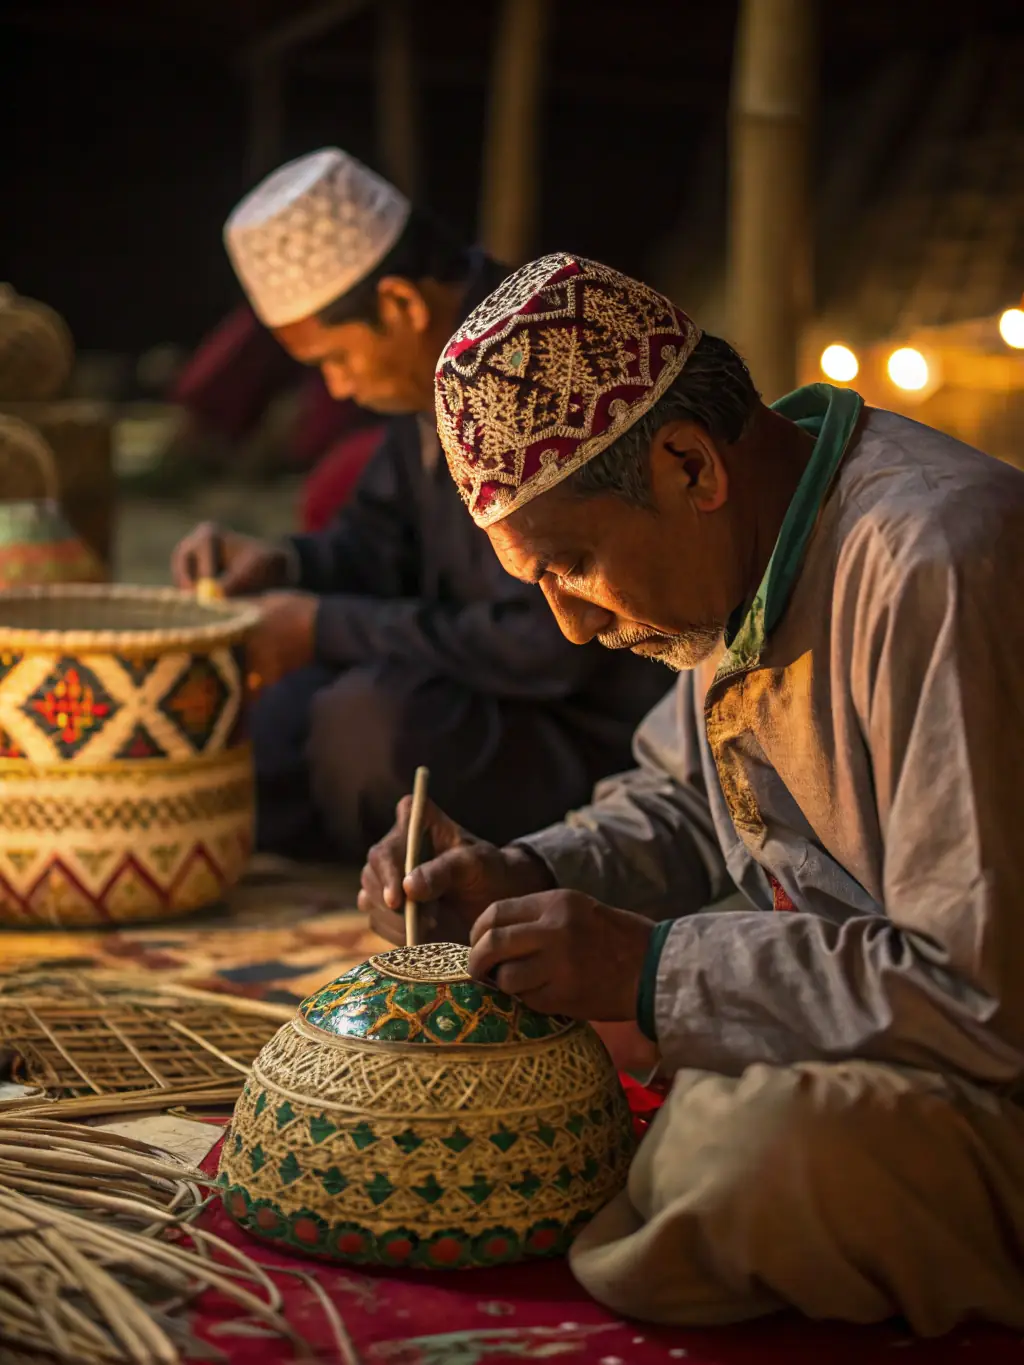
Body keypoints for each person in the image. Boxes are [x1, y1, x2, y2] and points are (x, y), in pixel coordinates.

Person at [359, 253, 1024, 1334]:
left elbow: (981, 996)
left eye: (569, 563)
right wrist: (527, 870)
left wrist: (653, 969)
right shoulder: (740, 553)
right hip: (890, 1032)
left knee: (745, 1165)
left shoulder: (934, 560)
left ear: (686, 465)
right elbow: (682, 796)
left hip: (988, 1067)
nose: (567, 623)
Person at [172, 157, 670, 861]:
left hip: (588, 721)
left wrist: (324, 628)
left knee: (364, 725)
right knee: (269, 715)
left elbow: (549, 642)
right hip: (485, 684)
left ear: (401, 305)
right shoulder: (433, 381)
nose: (337, 389)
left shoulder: (531, 357)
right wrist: (284, 564)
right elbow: (379, 544)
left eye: (335, 359)